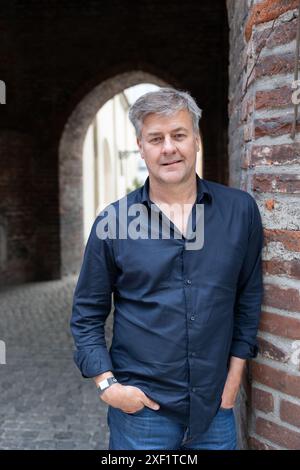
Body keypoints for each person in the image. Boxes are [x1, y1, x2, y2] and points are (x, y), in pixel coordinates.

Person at [70, 87, 264, 450]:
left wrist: (234, 378)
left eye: (178, 135)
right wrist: (108, 386)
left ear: (196, 140)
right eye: (155, 139)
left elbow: (248, 296)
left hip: (215, 411)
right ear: (141, 147)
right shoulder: (111, 223)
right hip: (142, 415)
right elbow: (86, 314)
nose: (168, 148)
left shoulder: (240, 211)